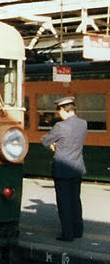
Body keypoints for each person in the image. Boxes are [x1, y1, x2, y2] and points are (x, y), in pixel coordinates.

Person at [41, 96, 88, 242]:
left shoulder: (60, 126)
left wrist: (53, 145)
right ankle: (78, 230)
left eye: (58, 111)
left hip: (62, 169)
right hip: (77, 167)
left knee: (64, 202)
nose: (57, 114)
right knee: (75, 200)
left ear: (63, 109)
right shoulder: (83, 124)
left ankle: (67, 234)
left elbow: (45, 140)